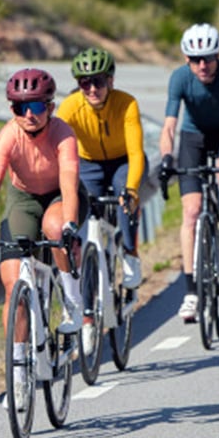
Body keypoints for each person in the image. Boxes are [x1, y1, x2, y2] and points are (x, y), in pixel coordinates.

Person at [0, 68, 87, 411]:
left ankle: (73, 299)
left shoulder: (63, 134)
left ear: (50, 106)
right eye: (20, 108)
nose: (29, 115)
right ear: (12, 111)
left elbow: (68, 180)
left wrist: (70, 225)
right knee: (13, 284)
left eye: (35, 106)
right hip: (22, 200)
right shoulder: (8, 136)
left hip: (61, 198)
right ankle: (18, 376)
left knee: (52, 226)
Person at [158, 23, 219, 322]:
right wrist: (165, 158)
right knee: (191, 211)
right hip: (193, 137)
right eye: (196, 59)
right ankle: (190, 292)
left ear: (218, 56)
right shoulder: (180, 78)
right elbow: (170, 125)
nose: (203, 65)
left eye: (209, 58)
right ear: (187, 60)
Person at [56, 47, 147, 357]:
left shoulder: (127, 103)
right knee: (78, 225)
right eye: (84, 83)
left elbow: (136, 153)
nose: (92, 89)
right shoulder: (69, 107)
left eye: (97, 82)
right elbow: (56, 147)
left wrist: (132, 190)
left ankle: (131, 256)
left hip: (123, 161)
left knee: (124, 198)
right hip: (89, 163)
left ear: (110, 80)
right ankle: (86, 308)